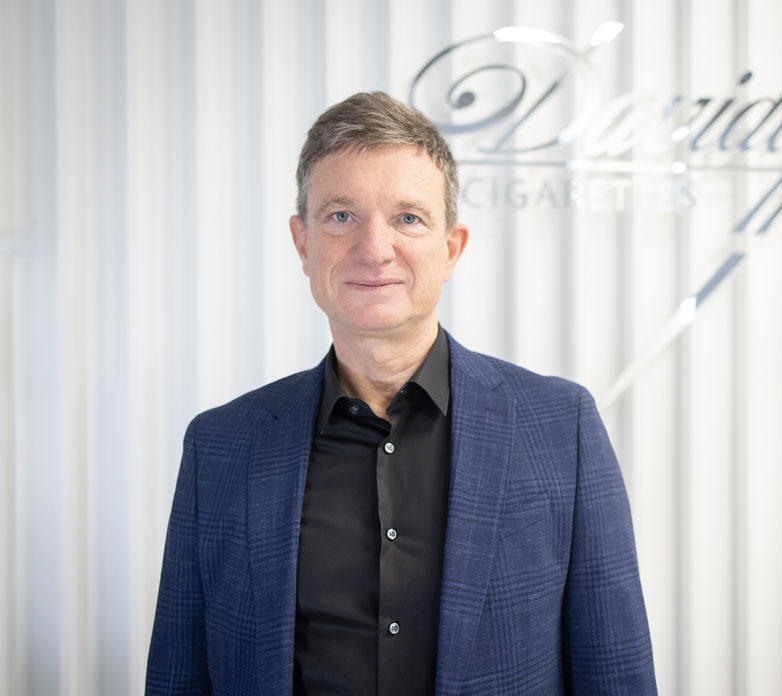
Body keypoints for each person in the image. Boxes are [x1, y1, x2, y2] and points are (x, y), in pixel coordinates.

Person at [146, 91, 656, 696]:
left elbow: (615, 674)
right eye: (341, 216)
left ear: (451, 249)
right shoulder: (220, 445)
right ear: (303, 243)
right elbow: (179, 676)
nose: (374, 248)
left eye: (408, 218)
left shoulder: (560, 427)